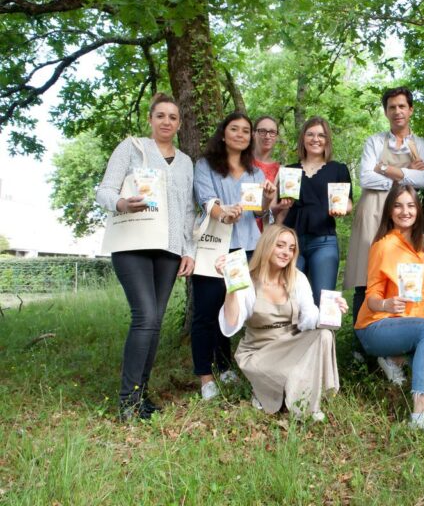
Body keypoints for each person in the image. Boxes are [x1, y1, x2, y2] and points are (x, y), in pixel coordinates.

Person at [96, 92, 196, 420]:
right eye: (161, 116)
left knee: (155, 322)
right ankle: (128, 400)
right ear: (151, 119)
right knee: (146, 317)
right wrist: (122, 203)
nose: (167, 122)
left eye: (173, 117)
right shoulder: (132, 148)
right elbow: (105, 191)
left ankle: (141, 395)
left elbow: (187, 210)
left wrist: (188, 250)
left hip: (167, 250)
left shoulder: (185, 162)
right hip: (133, 244)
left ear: (179, 124)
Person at [354, 184, 424, 434]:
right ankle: (421, 410)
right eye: (398, 205)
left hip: (420, 326)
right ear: (390, 211)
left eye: (410, 205)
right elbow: (371, 294)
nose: (405, 211)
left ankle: (396, 358)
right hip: (378, 325)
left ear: (418, 210)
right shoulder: (383, 245)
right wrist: (386, 303)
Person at [217, 224, 347, 421]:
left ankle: (305, 403)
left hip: (290, 343)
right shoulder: (248, 280)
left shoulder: (298, 278)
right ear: (266, 246)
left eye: (291, 248)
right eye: (280, 245)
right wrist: (231, 288)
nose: (286, 252)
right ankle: (271, 388)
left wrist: (331, 311)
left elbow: (309, 319)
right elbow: (230, 326)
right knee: (292, 375)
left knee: (325, 334)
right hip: (260, 351)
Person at [192, 112, 276, 401]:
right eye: (234, 129)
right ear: (223, 133)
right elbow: (206, 200)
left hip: (246, 249)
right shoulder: (205, 165)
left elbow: (261, 213)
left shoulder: (255, 172)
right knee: (206, 311)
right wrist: (222, 212)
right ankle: (205, 377)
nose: (240, 134)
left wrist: (267, 196)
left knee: (235, 309)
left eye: (245, 131)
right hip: (215, 247)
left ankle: (226, 366)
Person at [344, 86, 424, 325]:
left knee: (401, 272)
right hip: (373, 209)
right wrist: (407, 173)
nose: (397, 111)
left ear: (411, 109)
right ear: (385, 112)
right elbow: (366, 178)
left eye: (402, 106)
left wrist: (383, 168)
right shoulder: (374, 141)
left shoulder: (420, 145)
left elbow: (422, 180)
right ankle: (361, 340)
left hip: (404, 213)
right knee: (365, 273)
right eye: (392, 107)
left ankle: (395, 335)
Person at [281, 116, 353, 305]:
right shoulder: (289, 171)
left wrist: (342, 209)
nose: (315, 139)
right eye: (310, 134)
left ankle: (324, 336)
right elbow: (278, 209)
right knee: (290, 299)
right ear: (303, 138)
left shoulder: (338, 169)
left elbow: (348, 203)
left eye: (321, 135)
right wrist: (281, 204)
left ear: (327, 140)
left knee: (324, 300)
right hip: (291, 242)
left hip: (324, 241)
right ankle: (292, 335)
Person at [251, 115, 293, 232]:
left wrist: (280, 208)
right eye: (262, 131)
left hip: (263, 234)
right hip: (237, 230)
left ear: (276, 136)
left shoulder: (282, 171)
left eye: (272, 132)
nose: (267, 136)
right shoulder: (240, 164)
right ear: (253, 134)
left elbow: (277, 216)